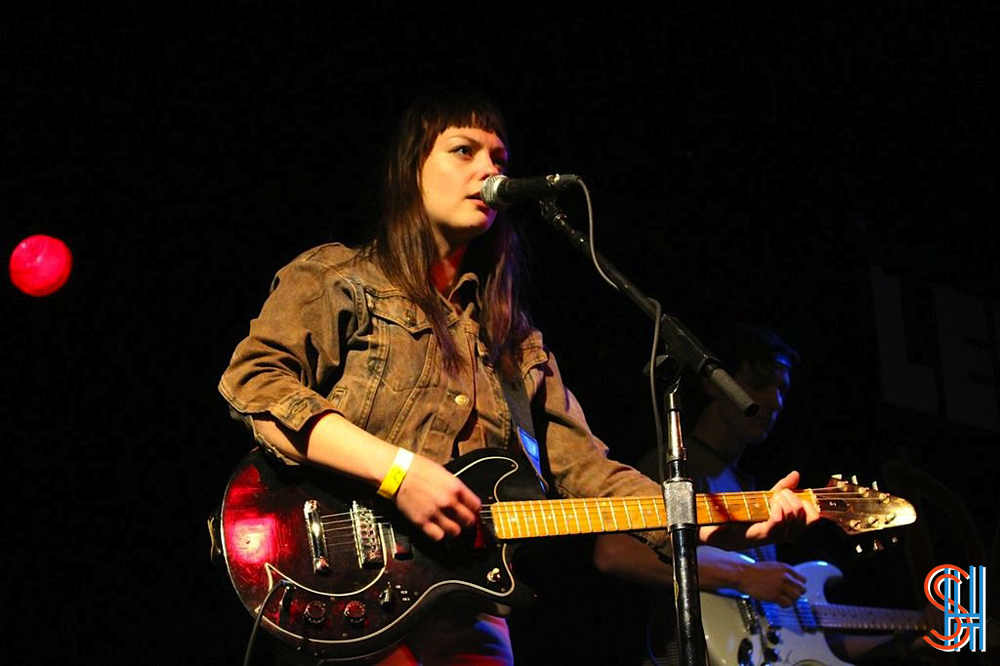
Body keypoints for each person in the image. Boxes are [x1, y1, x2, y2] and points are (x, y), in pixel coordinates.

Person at [218, 94, 817, 665]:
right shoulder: (337, 276)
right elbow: (257, 385)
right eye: (464, 150)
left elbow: (593, 475)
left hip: (470, 600)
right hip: (343, 583)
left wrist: (734, 516)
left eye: (499, 159)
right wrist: (398, 472)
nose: (488, 169)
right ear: (412, 169)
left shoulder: (514, 339)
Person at [593, 322, 929, 664]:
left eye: (782, 389)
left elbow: (797, 644)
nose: (774, 400)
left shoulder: (752, 491)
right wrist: (743, 575)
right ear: (713, 383)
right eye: (759, 384)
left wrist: (902, 640)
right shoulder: (676, 468)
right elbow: (614, 550)